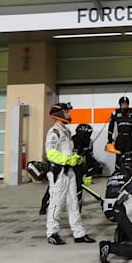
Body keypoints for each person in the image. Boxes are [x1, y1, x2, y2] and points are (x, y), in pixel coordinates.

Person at [44, 104, 96, 245]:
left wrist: (76, 157)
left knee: (74, 203)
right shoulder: (54, 131)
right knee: (57, 203)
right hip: (59, 172)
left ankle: (79, 233)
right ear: (60, 113)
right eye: (66, 112)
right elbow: (51, 153)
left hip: (70, 171)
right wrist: (68, 159)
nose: (68, 114)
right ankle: (52, 232)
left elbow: (67, 150)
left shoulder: (66, 131)